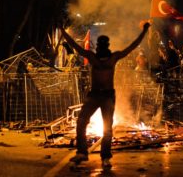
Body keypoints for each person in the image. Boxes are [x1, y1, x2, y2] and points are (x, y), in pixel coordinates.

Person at [60, 22, 150, 167]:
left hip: (107, 96)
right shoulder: (94, 56)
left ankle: (104, 157)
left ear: (106, 45)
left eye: (103, 44)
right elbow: (75, 46)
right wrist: (62, 31)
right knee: (82, 122)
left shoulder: (111, 57)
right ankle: (82, 153)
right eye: (100, 44)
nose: (101, 47)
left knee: (106, 128)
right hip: (95, 95)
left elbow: (133, 46)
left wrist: (145, 31)